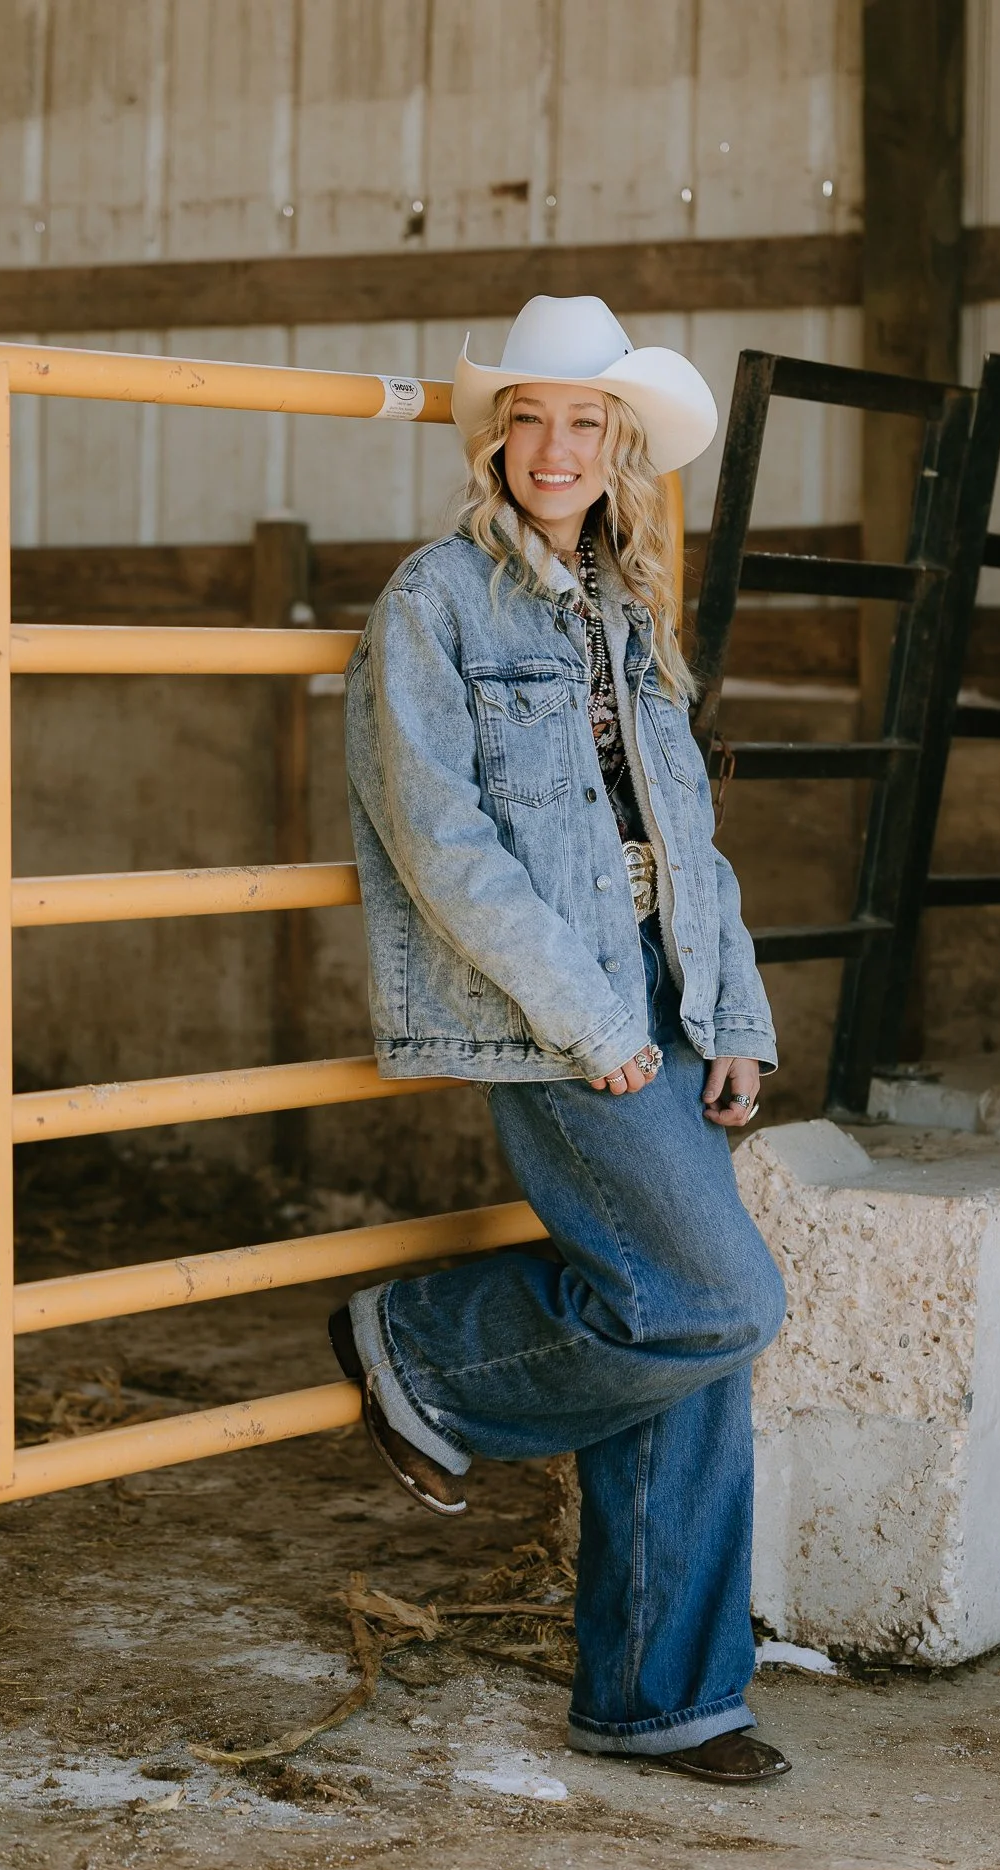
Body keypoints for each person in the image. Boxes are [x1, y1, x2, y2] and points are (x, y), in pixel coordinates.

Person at [330, 296, 790, 1786]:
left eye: (585, 422)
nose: (554, 446)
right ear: (494, 438)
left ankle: (665, 1698)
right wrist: (595, 1022)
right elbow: (443, 844)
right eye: (528, 416)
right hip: (556, 1018)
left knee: (688, 1341)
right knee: (719, 1298)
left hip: (666, 1001)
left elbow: (690, 837)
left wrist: (731, 1011)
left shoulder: (627, 609)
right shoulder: (433, 605)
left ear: (620, 446)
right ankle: (424, 1356)